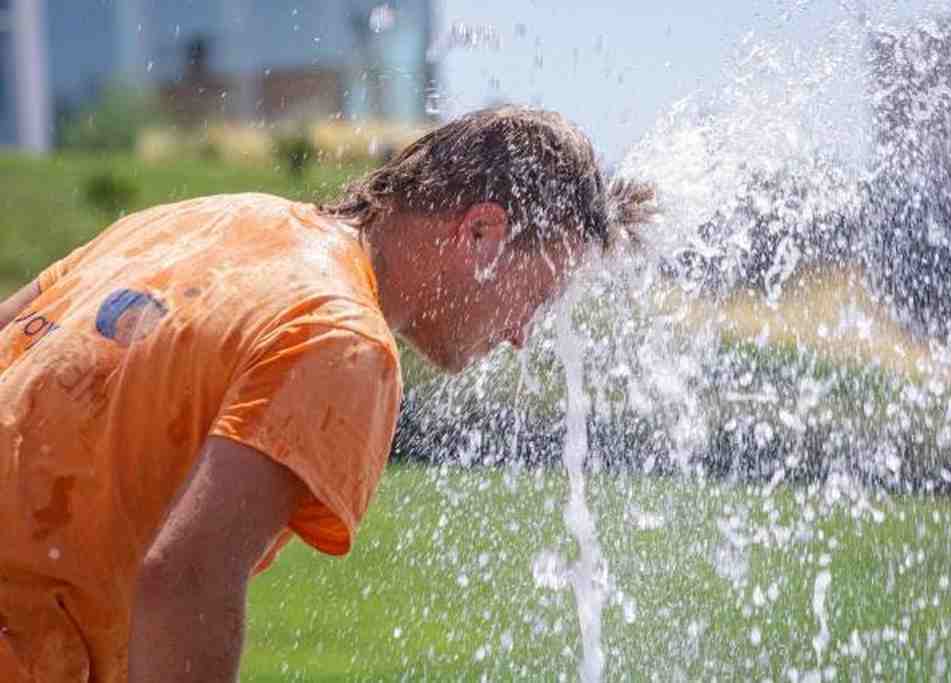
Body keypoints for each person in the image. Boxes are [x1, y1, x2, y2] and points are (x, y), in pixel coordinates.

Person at [0, 105, 655, 682]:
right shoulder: (344, 339)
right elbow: (186, 581)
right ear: (480, 232)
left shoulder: (217, 218)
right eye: (537, 296)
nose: (520, 334)